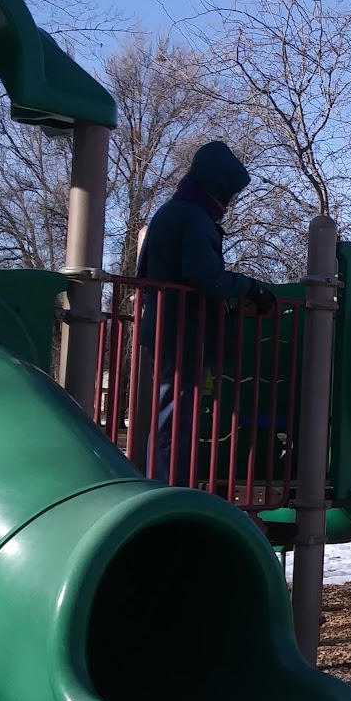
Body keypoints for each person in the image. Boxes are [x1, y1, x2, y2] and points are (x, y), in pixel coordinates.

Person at [137, 139, 277, 486]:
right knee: (174, 417)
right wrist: (250, 288)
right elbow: (206, 277)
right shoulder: (194, 217)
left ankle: (164, 486)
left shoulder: (171, 212)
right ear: (217, 187)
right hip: (182, 332)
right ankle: (169, 492)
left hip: (167, 326)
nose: (228, 205)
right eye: (228, 194)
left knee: (169, 412)